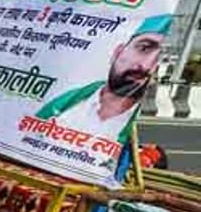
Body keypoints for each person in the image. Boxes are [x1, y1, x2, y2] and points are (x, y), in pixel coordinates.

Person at [34, 15, 169, 138]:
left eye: (161, 57)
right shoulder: (67, 103)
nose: (146, 66)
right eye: (144, 48)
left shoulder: (140, 127)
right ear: (118, 52)